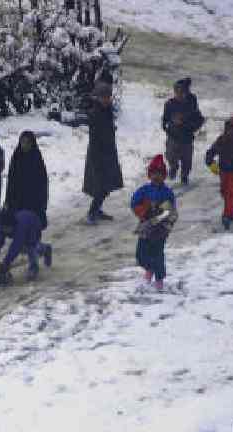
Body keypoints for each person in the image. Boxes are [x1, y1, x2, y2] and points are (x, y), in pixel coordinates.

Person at [0, 131, 52, 284]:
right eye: (22, 142)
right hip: (17, 203)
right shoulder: (16, 157)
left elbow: (42, 185)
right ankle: (44, 249)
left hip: (34, 205)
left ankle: (33, 266)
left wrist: (5, 265)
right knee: (25, 243)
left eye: (27, 142)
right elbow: (11, 182)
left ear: (32, 143)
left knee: (27, 242)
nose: (24, 145)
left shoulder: (37, 159)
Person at [131, 155, 178, 291]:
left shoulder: (167, 192)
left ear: (164, 176)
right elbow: (134, 203)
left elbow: (171, 211)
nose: (156, 176)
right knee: (141, 255)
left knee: (158, 255)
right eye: (153, 173)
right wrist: (142, 210)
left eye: (159, 174)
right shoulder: (144, 190)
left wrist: (163, 219)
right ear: (149, 175)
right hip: (145, 229)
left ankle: (159, 280)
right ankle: (150, 268)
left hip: (160, 230)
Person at [82, 79, 124, 224]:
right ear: (97, 97)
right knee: (102, 186)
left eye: (108, 96)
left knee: (108, 185)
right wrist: (97, 160)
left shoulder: (107, 111)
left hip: (109, 152)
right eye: (103, 97)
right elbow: (95, 138)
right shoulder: (95, 114)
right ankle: (92, 213)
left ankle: (97, 209)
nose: (106, 99)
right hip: (98, 154)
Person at [161, 77, 205, 186]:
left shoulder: (191, 105)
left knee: (186, 160)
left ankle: (184, 176)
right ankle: (173, 167)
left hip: (187, 137)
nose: (179, 95)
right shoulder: (169, 104)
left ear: (186, 93)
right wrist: (168, 126)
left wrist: (189, 126)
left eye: (181, 92)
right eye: (177, 92)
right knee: (171, 155)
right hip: (173, 136)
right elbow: (165, 120)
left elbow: (199, 119)